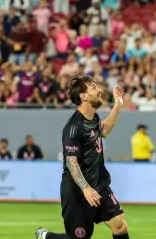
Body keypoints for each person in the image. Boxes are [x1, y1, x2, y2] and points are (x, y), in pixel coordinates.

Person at [36, 75, 129, 239]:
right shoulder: (73, 127)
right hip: (77, 191)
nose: (99, 90)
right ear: (83, 96)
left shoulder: (93, 118)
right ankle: (46, 237)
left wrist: (118, 106)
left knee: (120, 226)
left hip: (99, 185)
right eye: (93, 87)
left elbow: (104, 130)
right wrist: (85, 188)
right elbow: (71, 162)